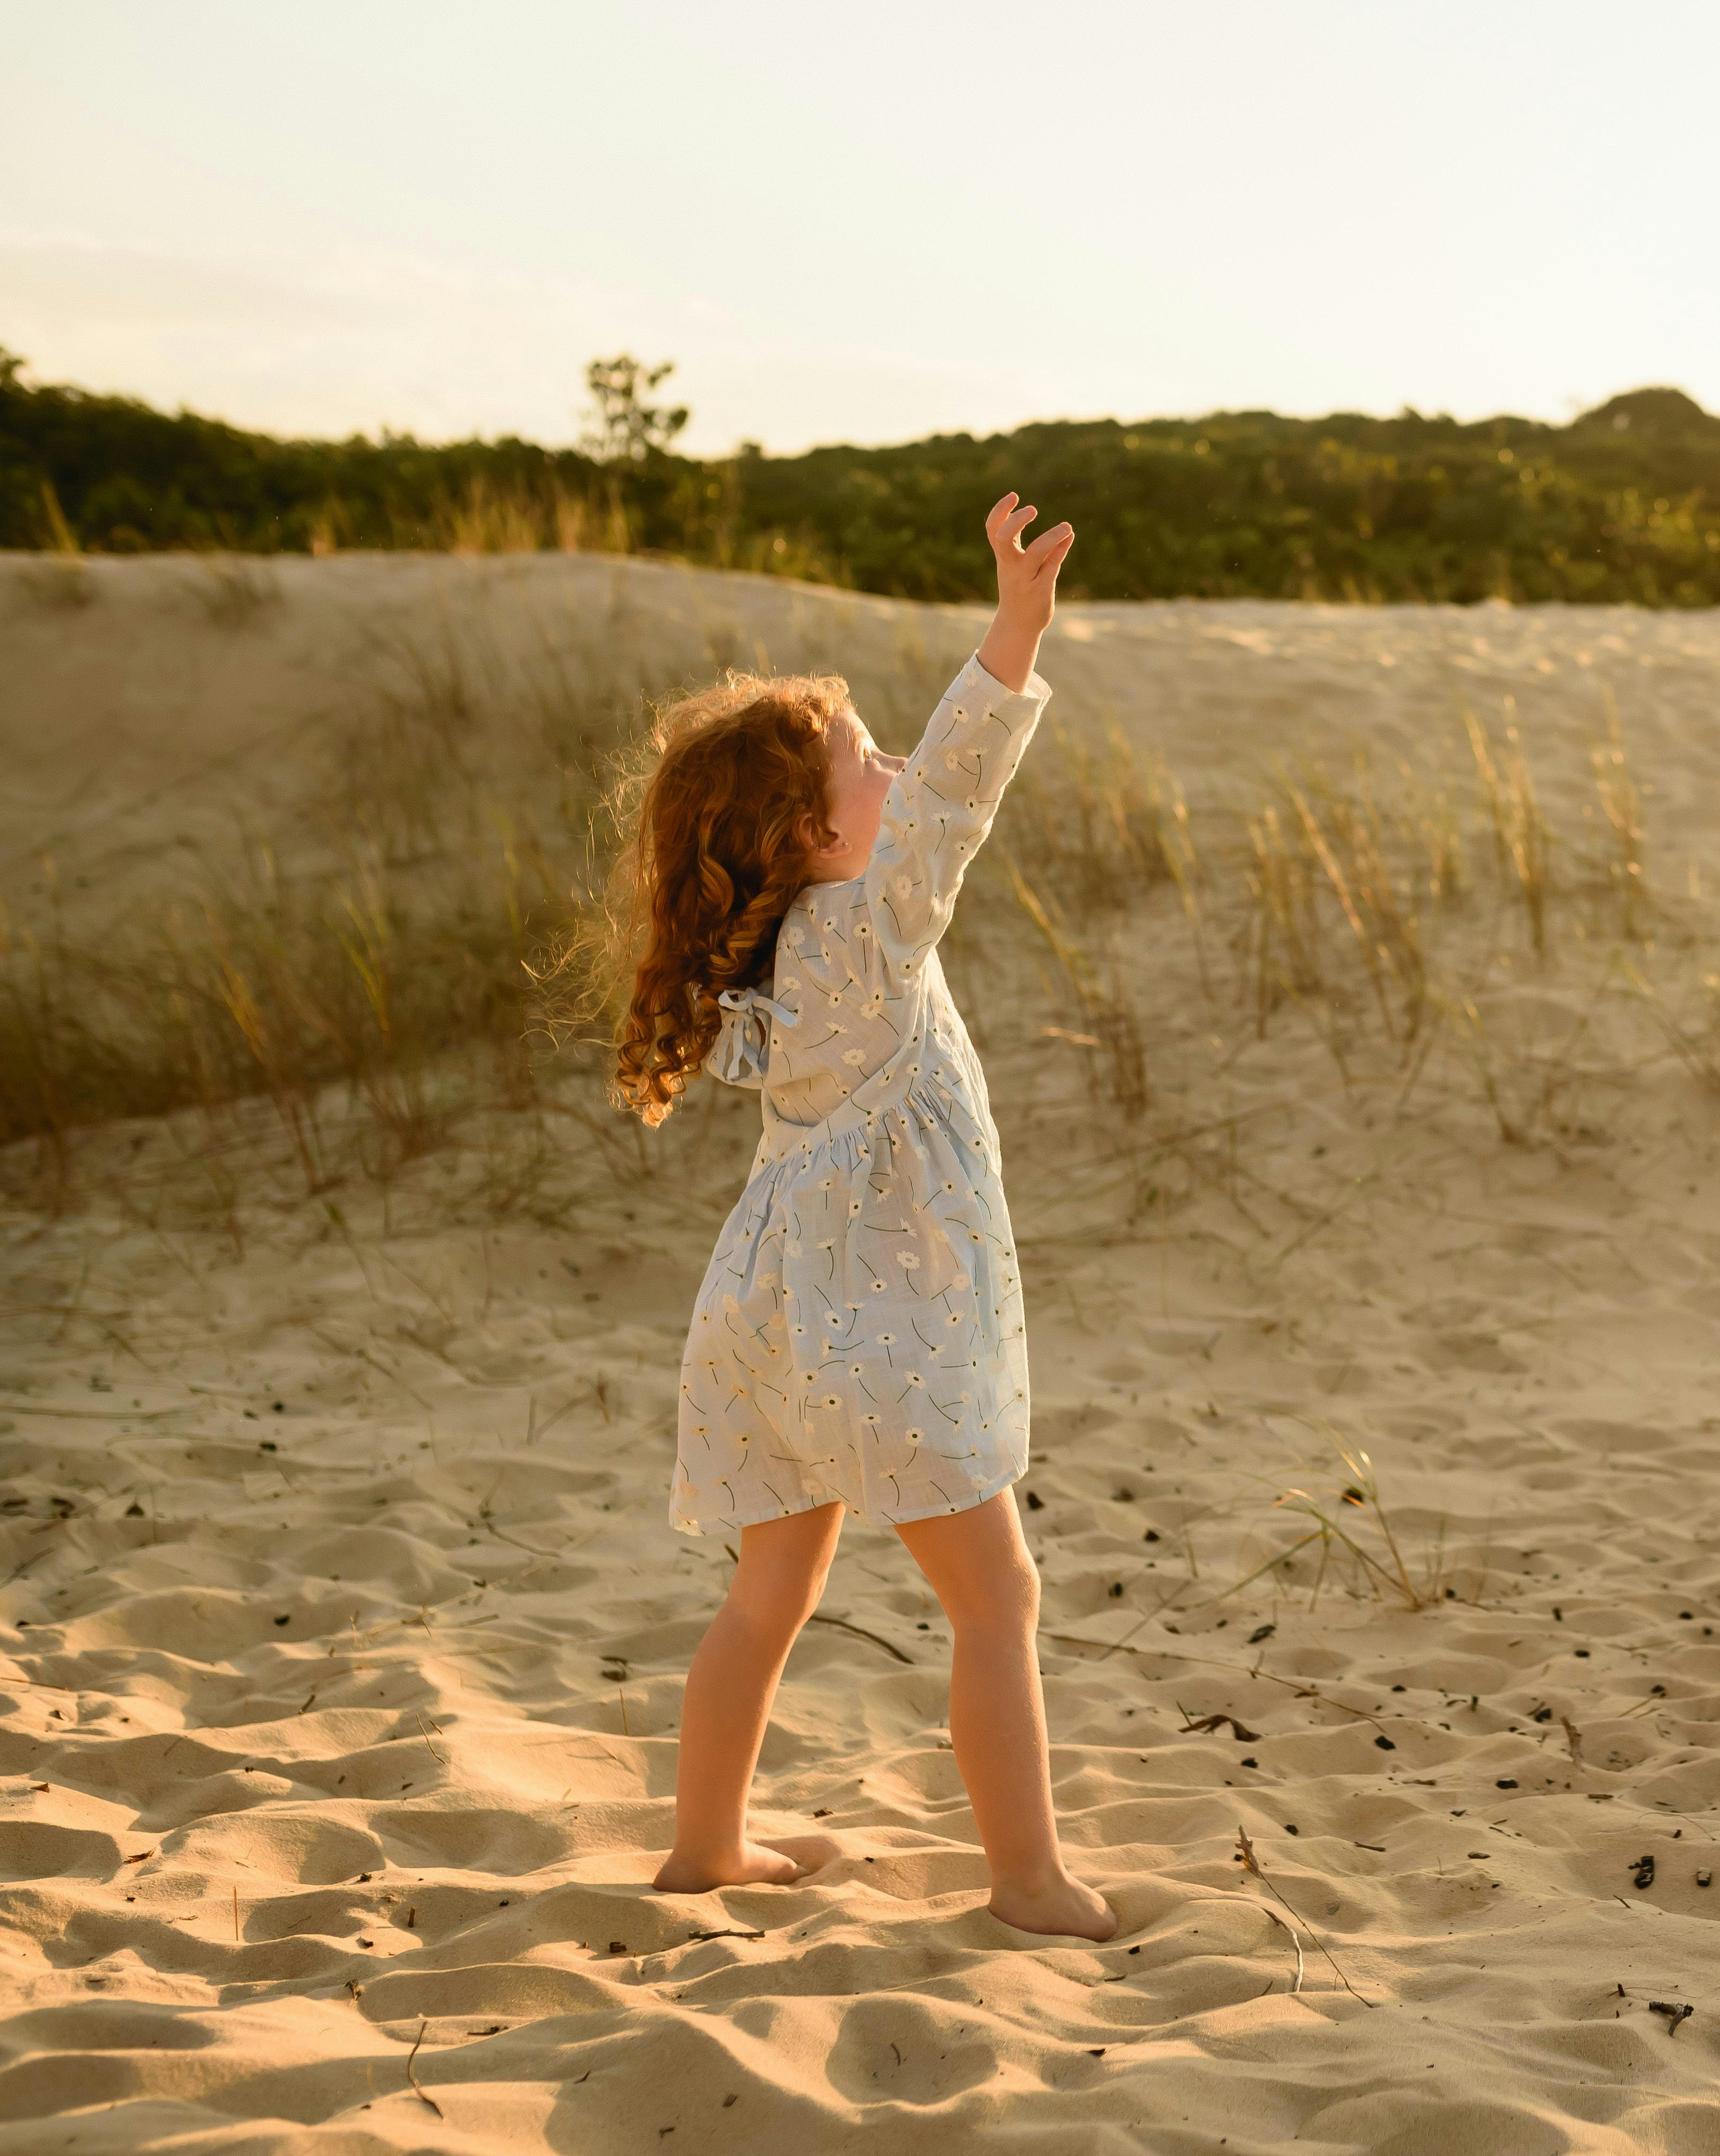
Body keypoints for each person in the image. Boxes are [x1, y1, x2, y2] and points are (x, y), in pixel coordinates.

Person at [607, 492, 1114, 1940]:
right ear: (816, 834)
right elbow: (953, 792)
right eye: (861, 761)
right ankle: (1024, 1881)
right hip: (878, 1333)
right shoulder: (873, 932)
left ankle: (707, 1848)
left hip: (764, 1326)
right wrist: (1015, 632)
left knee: (769, 1594)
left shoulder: (769, 957)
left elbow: (920, 795)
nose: (891, 765)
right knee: (998, 1599)